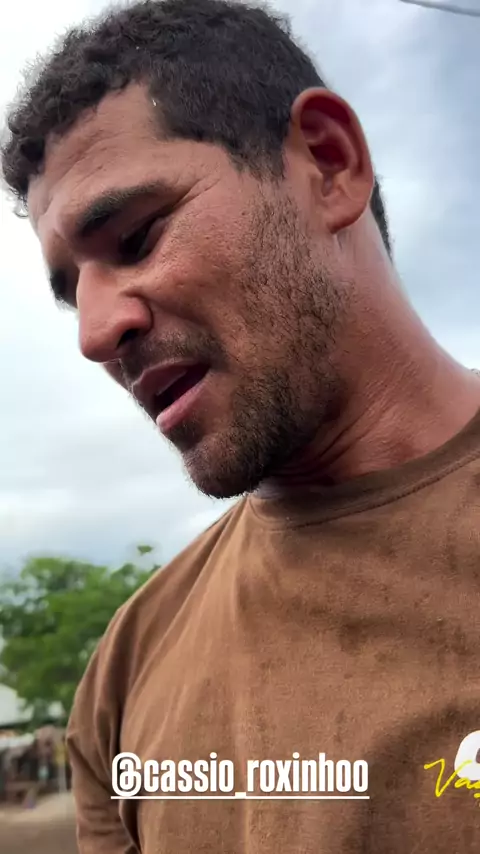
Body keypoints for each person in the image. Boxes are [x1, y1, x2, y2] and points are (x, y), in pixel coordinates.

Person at [2, 0, 480, 851]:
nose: (95, 335)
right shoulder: (127, 670)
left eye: (137, 236)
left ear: (328, 165)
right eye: (74, 292)